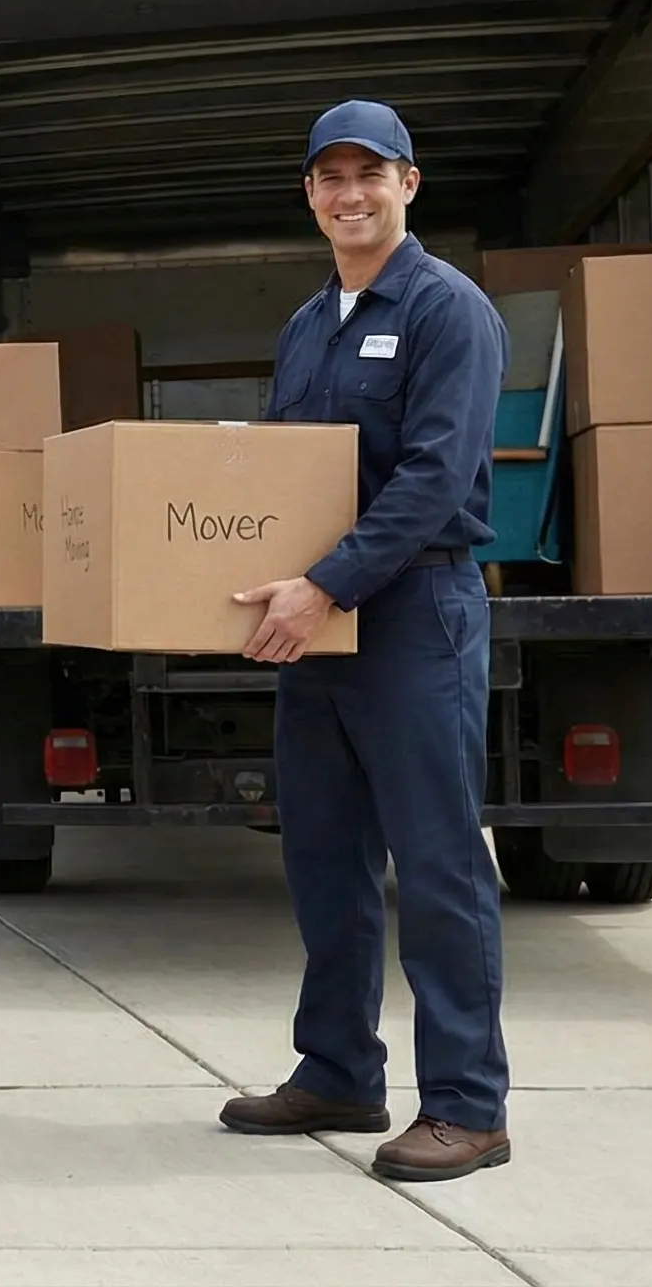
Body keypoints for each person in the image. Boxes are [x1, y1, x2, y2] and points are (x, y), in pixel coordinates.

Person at [224, 99, 514, 1182]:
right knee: (322, 857)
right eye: (328, 177)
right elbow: (281, 475)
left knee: (435, 862)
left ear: (407, 183)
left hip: (411, 616)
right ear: (307, 195)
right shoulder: (309, 326)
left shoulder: (448, 311)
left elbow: (433, 479)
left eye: (369, 174)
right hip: (315, 622)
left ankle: (467, 1108)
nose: (349, 194)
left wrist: (324, 586)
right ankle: (337, 1071)